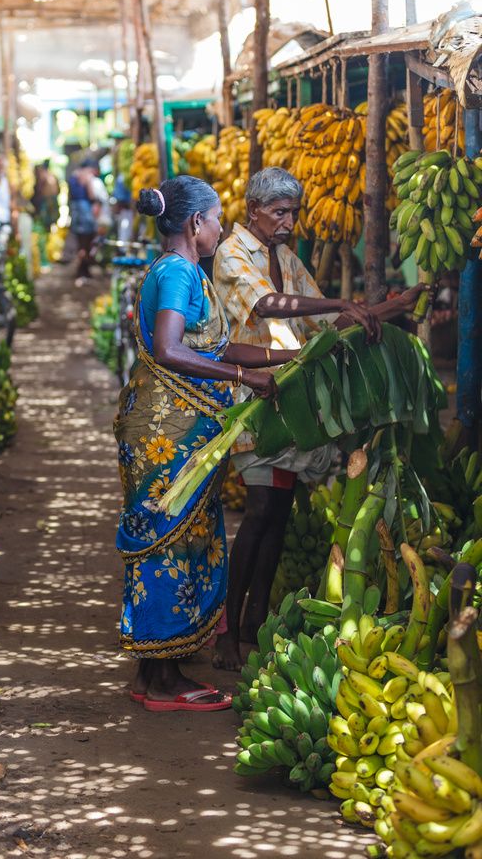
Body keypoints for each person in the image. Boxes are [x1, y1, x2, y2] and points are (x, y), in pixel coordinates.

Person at [212, 166, 427, 670]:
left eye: (294, 212)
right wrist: (338, 300)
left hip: (290, 408)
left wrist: (397, 305)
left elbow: (332, 322)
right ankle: (226, 634)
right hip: (251, 397)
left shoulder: (286, 258)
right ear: (253, 211)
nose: (288, 221)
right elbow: (266, 305)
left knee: (278, 517)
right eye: (278, 212)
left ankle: (253, 625)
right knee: (260, 510)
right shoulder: (231, 253)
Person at [114, 176, 304, 711]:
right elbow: (173, 350)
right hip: (164, 437)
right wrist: (244, 381)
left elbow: (223, 349)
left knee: (174, 541)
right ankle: (165, 681)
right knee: (168, 544)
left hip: (179, 435)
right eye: (218, 219)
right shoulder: (177, 273)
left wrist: (288, 359)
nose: (222, 228)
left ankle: (154, 675)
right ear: (196, 223)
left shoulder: (186, 273)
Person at [68, 157, 100, 282]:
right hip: (85, 210)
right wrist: (96, 203)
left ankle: (83, 270)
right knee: (86, 242)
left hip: (75, 210)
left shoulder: (73, 176)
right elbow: (91, 195)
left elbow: (69, 197)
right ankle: (81, 271)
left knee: (80, 242)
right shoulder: (86, 176)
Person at [32, 159, 60, 232]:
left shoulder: (52, 175)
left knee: (53, 219)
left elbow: (58, 187)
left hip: (52, 200)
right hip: (45, 200)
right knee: (45, 219)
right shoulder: (43, 175)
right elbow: (39, 189)